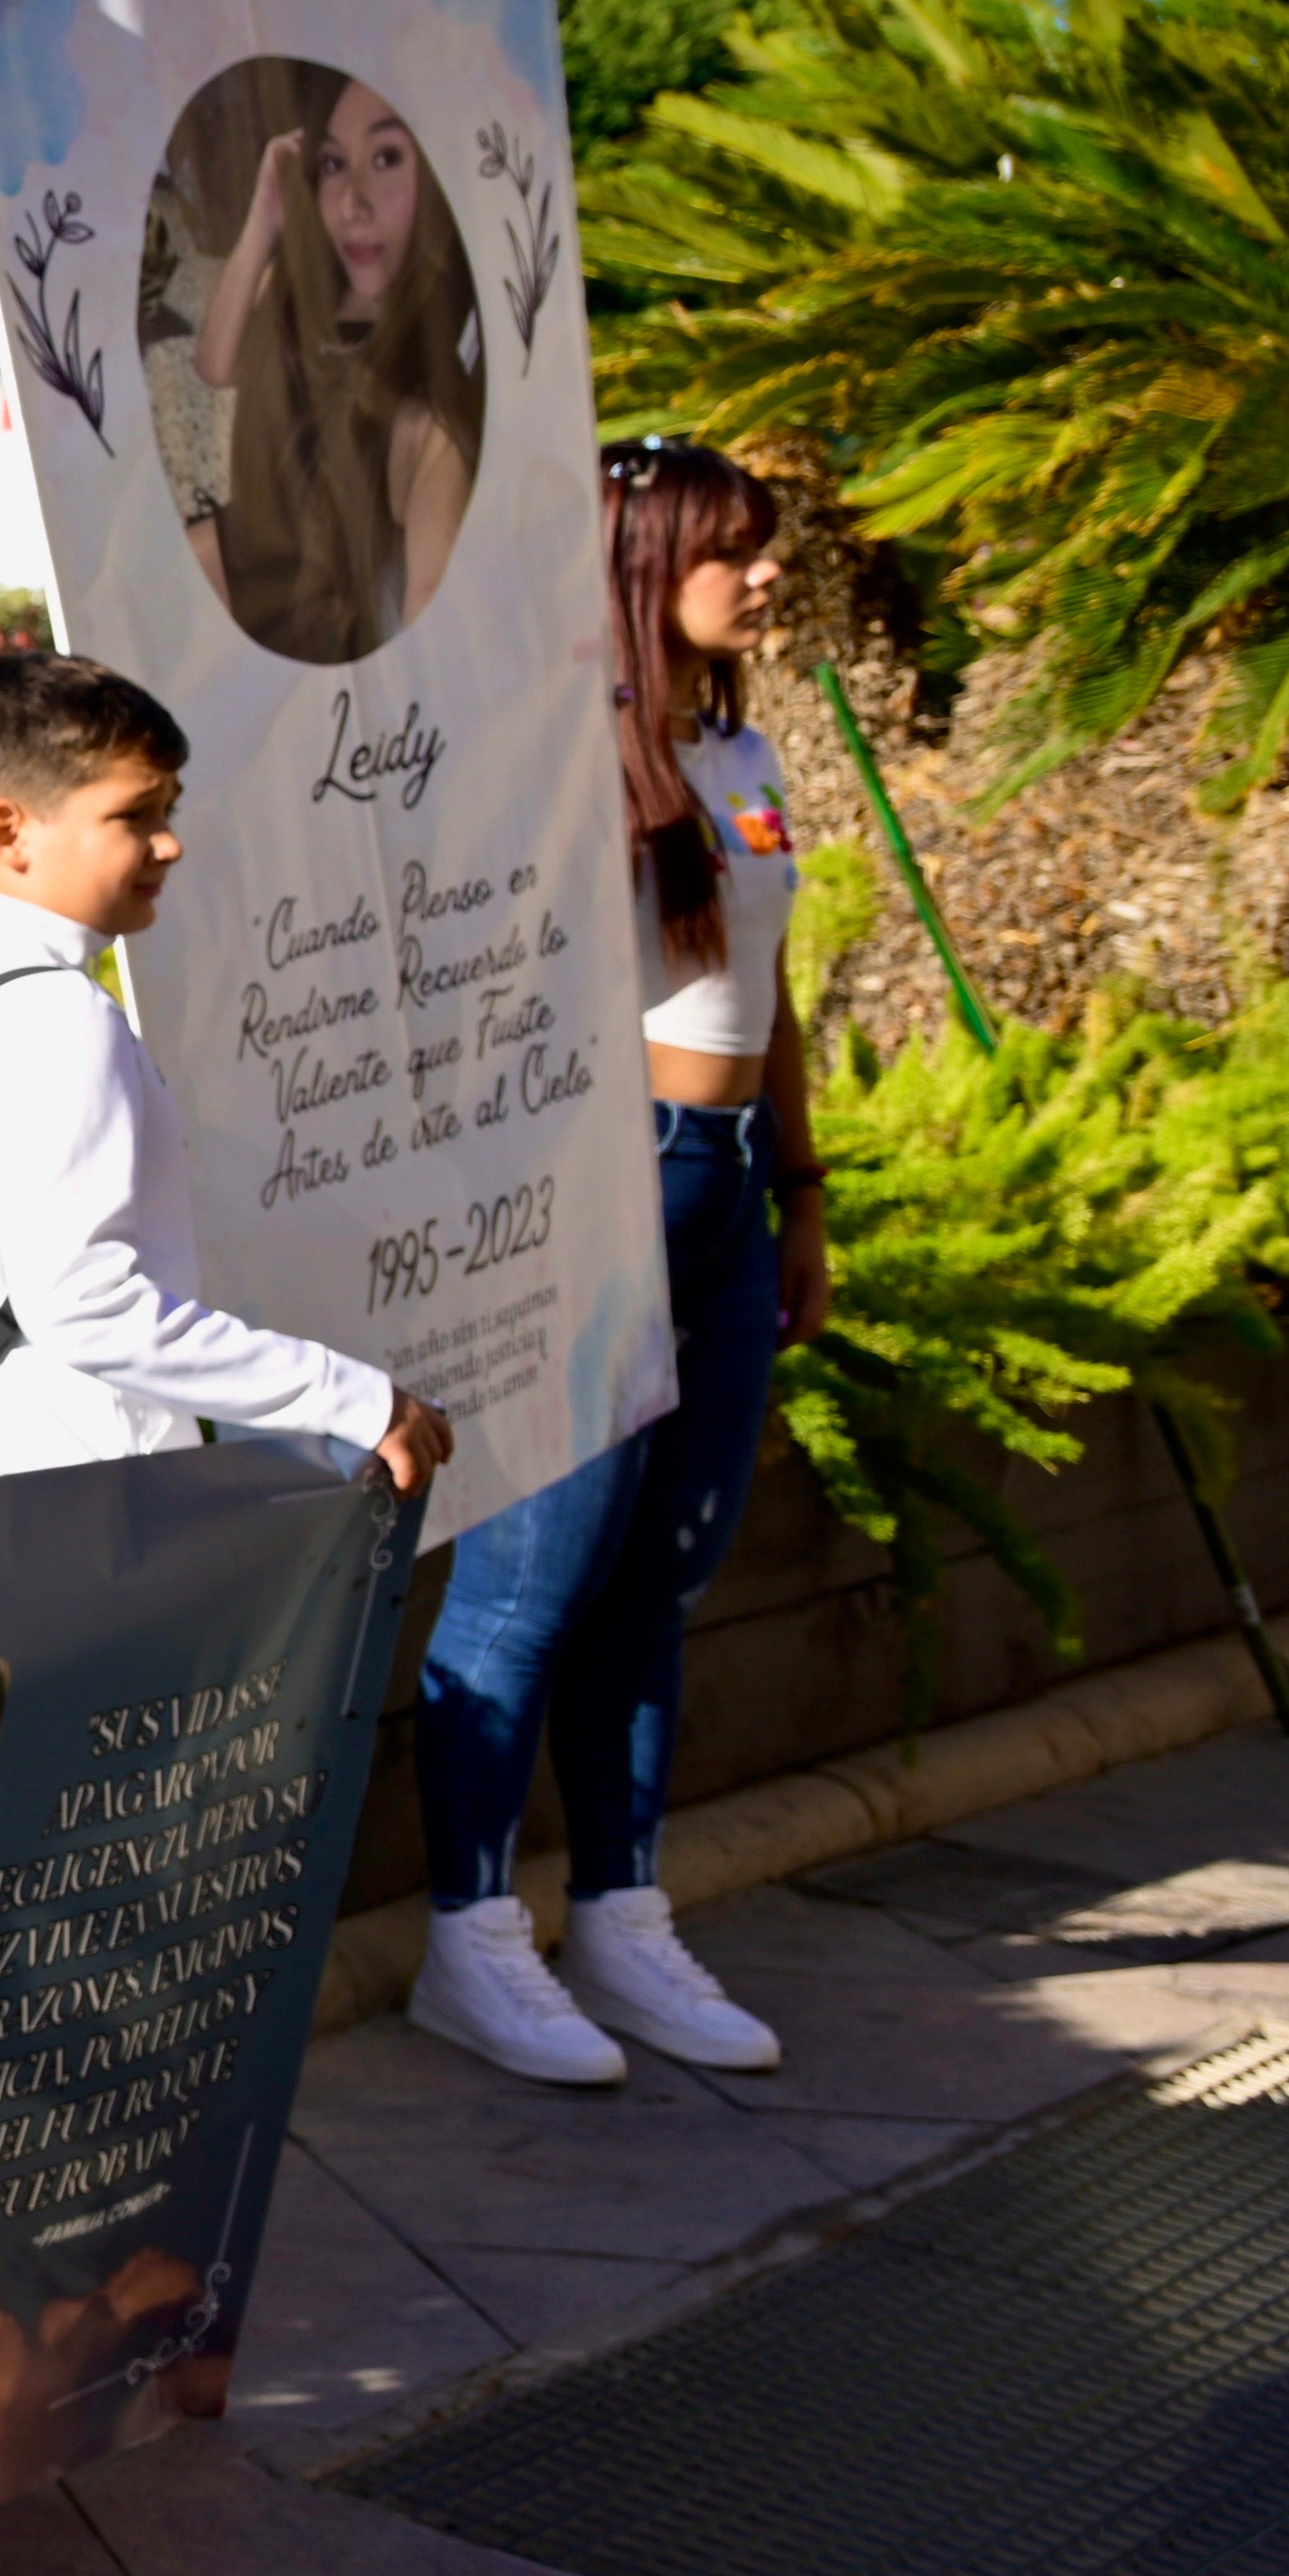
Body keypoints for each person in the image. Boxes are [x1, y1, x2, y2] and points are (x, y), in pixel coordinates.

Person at [397, 441, 820, 2086]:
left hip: (719, 1187)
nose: (770, 574)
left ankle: (624, 1916)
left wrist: (803, 1193)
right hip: (598, 1179)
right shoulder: (552, 752)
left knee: (664, 1577)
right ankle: (471, 1934)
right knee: (527, 1581)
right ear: (647, 560)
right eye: (738, 549)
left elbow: (773, 993)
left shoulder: (744, 743)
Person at [0, 645, 456, 1507]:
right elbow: (86, 1304)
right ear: (8, 832)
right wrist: (357, 1399)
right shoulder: (57, 1016)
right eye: (136, 815)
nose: (169, 843)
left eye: (169, 809)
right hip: (82, 1511)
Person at [156, 69, 485, 664]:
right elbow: (215, 363)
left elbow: (429, 604)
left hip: (333, 615)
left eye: (386, 158)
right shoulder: (298, 291)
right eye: (333, 164)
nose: (353, 203)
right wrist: (265, 219)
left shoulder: (434, 416)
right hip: (257, 563)